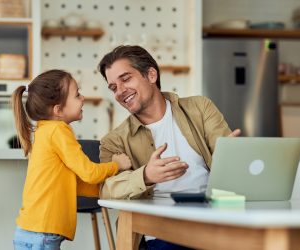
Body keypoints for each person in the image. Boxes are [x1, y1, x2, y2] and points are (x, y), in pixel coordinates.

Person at [97, 45, 240, 249]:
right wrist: (145, 175)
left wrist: (233, 156)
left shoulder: (200, 108)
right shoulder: (114, 140)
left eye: (126, 79)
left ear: (151, 74)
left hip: (214, 220)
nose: (120, 91)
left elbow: (224, 154)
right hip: (161, 230)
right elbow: (106, 189)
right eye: (113, 87)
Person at [11, 69, 132, 250]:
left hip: (30, 231)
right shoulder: (59, 130)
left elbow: (73, 183)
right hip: (42, 235)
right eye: (77, 95)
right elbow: (90, 173)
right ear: (58, 110)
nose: (82, 98)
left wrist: (108, 191)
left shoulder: (45, 131)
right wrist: (117, 165)